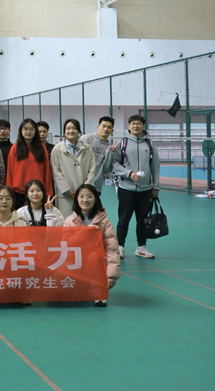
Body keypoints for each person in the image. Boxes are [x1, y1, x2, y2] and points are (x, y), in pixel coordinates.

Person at [113, 114, 160, 259]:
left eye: (139, 123)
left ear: (143, 126)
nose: (136, 126)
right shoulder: (122, 143)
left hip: (145, 190)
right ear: (129, 126)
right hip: (126, 188)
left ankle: (141, 247)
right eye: (133, 123)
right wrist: (129, 174)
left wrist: (155, 187)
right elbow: (115, 163)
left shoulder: (150, 144)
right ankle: (120, 247)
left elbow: (155, 167)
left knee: (143, 221)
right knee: (123, 219)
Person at [64, 184, 120, 306]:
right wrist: (85, 233)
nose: (85, 200)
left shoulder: (104, 222)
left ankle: (98, 292)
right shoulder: (69, 221)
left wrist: (111, 275)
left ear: (95, 199)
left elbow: (112, 248)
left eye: (89, 196)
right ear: (77, 199)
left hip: (95, 262)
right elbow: (66, 244)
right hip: (75, 260)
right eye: (81, 196)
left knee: (95, 256)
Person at [51, 118, 97, 217]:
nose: (71, 131)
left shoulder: (87, 148)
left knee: (84, 219)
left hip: (84, 194)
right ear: (64, 131)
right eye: (68, 128)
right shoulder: (57, 149)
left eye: (74, 128)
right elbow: (55, 171)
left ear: (79, 131)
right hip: (66, 195)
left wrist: (86, 188)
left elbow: (92, 169)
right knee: (66, 220)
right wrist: (66, 189)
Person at [6, 118, 53, 209]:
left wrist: (48, 193)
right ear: (21, 131)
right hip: (18, 192)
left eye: (31, 129)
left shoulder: (42, 148)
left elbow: (47, 171)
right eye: (25, 129)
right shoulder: (15, 148)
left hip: (37, 192)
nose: (28, 132)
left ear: (35, 131)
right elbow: (10, 172)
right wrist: (9, 192)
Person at [81, 116, 117, 194]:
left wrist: (110, 153)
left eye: (109, 127)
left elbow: (105, 170)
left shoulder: (109, 147)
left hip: (95, 185)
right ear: (98, 127)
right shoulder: (86, 138)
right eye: (103, 126)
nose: (106, 129)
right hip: (80, 182)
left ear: (112, 130)